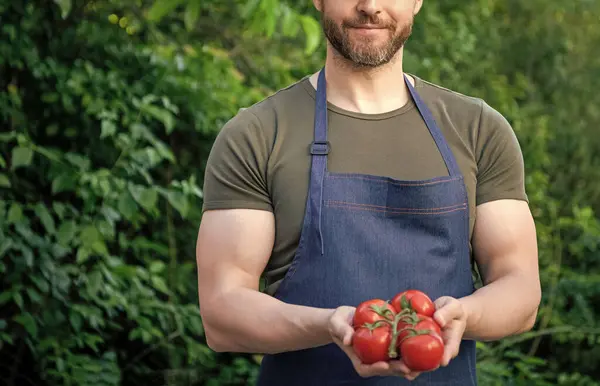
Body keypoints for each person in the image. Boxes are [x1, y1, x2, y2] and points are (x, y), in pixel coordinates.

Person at [195, 0, 541, 384]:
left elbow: (520, 289)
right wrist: (329, 325)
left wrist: (465, 315)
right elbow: (222, 312)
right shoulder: (257, 135)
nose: (370, 6)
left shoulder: (478, 130)